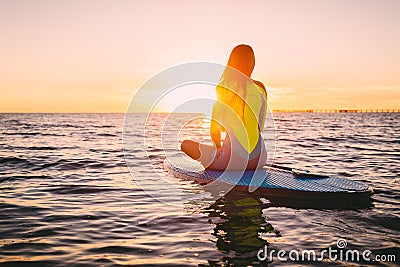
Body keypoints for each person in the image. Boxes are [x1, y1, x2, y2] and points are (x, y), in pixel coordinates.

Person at [181, 44, 267, 171]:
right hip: (260, 159)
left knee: (186, 145)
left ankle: (218, 160)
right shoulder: (261, 88)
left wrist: (218, 148)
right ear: (252, 64)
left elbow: (215, 129)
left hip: (232, 162)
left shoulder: (224, 87)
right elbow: (260, 126)